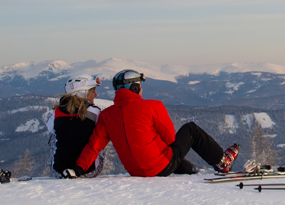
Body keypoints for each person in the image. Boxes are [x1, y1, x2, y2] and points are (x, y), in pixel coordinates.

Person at [66, 69, 240, 178]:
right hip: (160, 166)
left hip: (136, 171)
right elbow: (170, 138)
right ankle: (223, 162)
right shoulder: (151, 106)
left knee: (173, 157)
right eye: (139, 85)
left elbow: (94, 145)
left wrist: (78, 169)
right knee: (191, 129)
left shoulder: (107, 115)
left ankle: (190, 169)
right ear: (135, 88)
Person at [47, 74, 105, 178]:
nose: (95, 95)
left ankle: (62, 167)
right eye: (93, 91)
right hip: (88, 171)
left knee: (55, 134)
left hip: (59, 171)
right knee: (100, 134)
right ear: (83, 93)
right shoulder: (94, 113)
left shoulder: (57, 112)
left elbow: (50, 128)